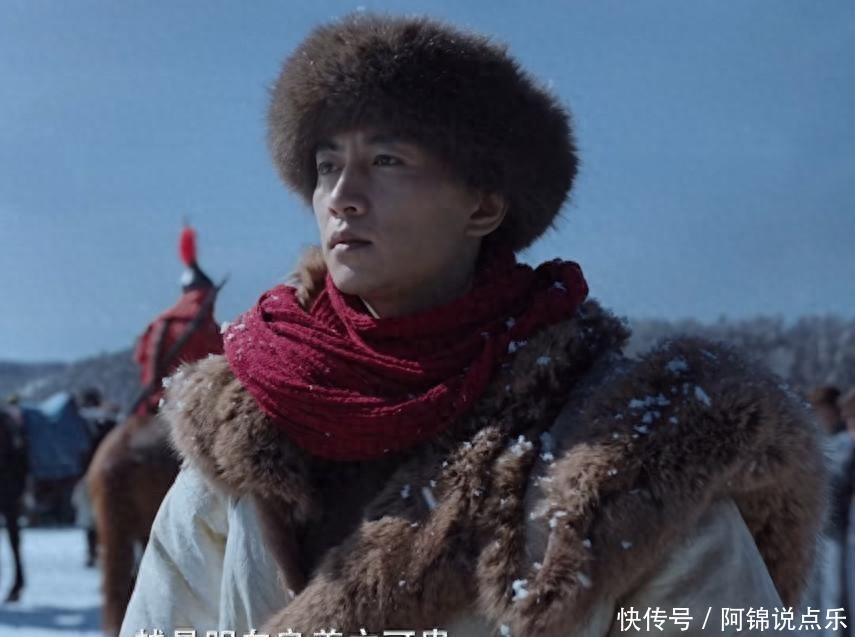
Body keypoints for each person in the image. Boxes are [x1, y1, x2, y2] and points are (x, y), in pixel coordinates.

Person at [121, 14, 825, 637]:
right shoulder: (248, 427)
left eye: (386, 161)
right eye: (327, 165)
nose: (342, 196)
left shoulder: (628, 450)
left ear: (483, 207)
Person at [131, 224, 224, 416]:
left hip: (162, 401)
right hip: (185, 402)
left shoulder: (162, 323)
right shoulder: (203, 327)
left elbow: (143, 358)